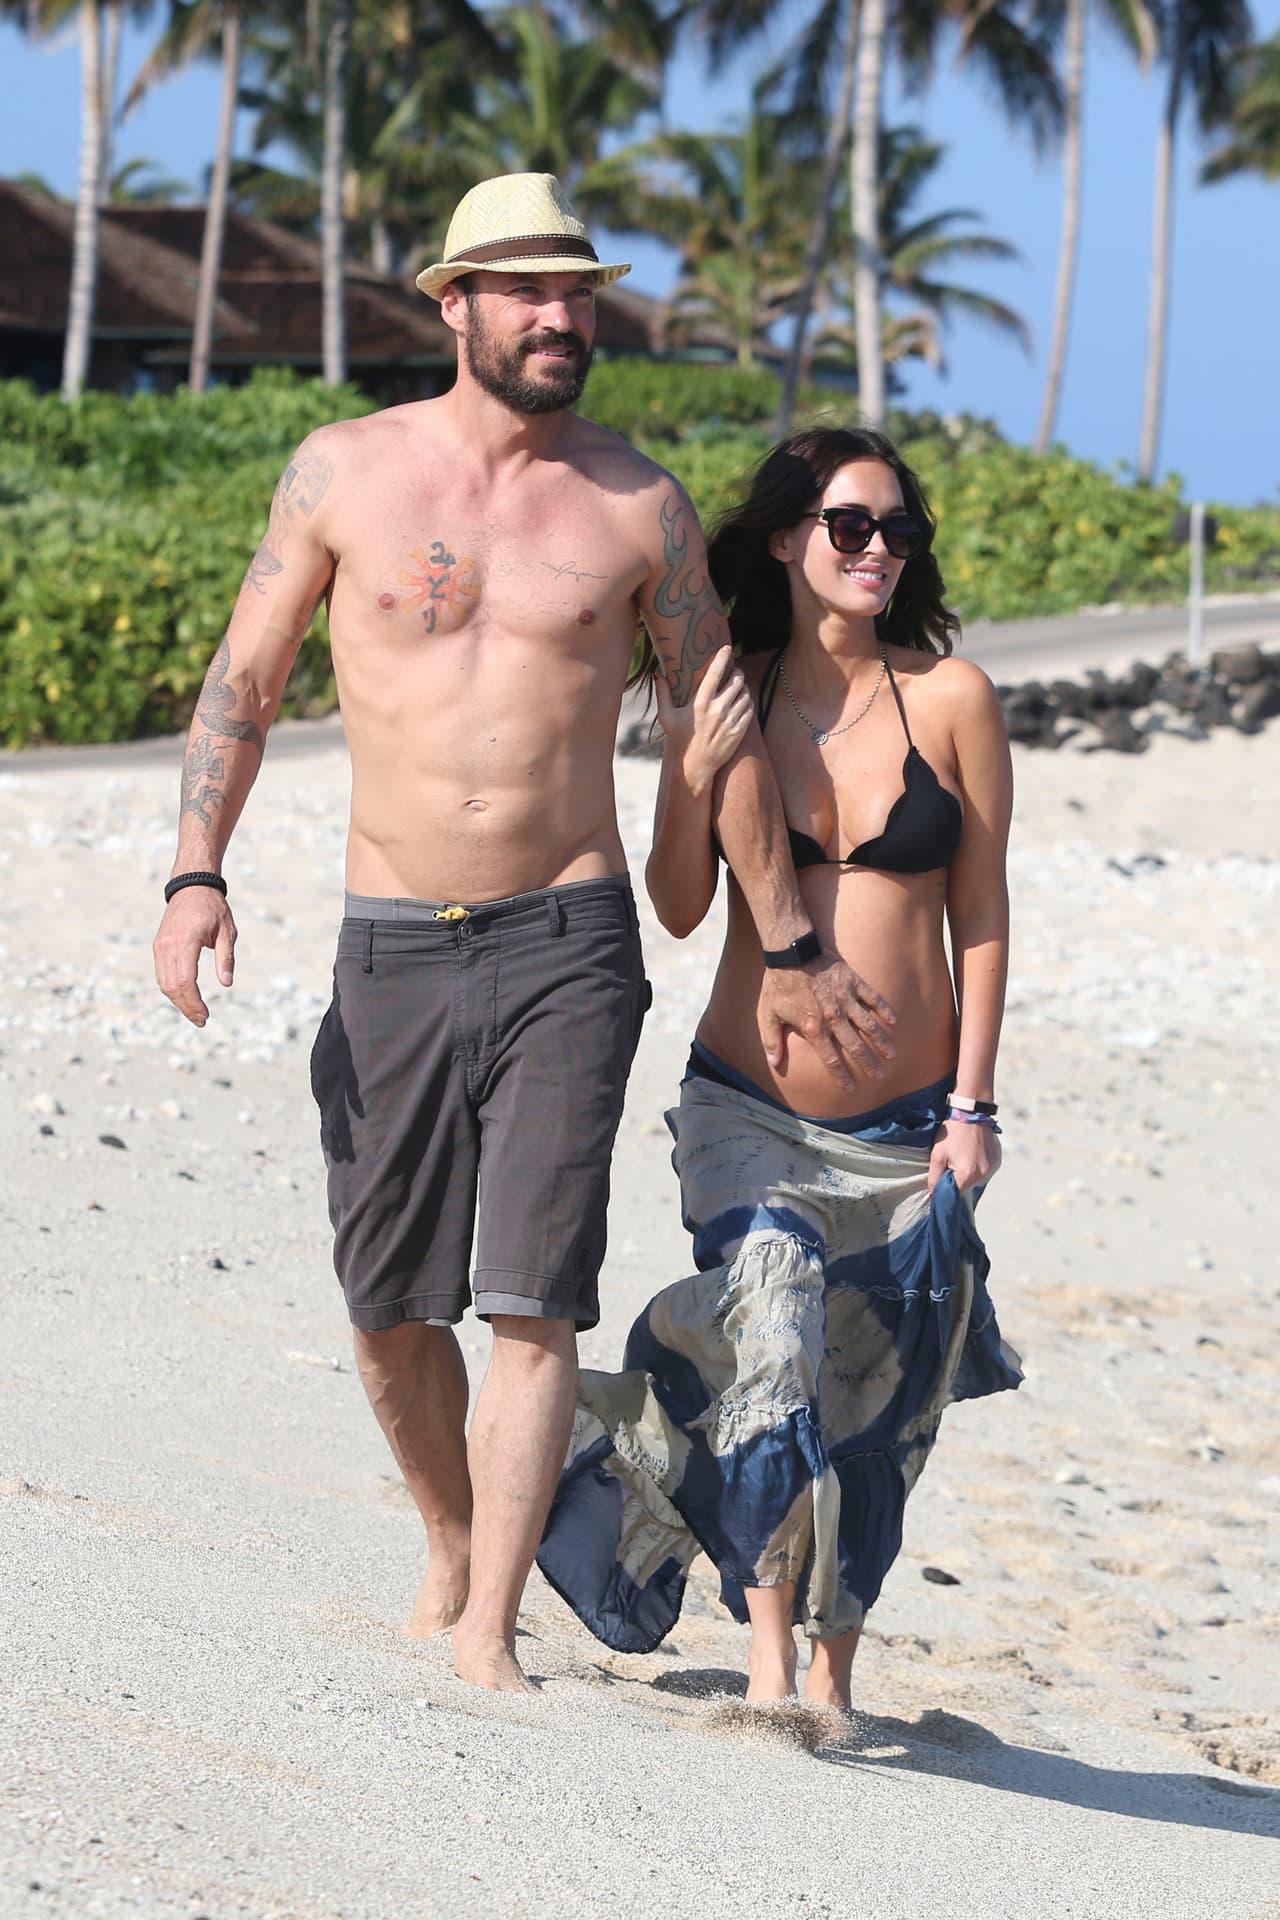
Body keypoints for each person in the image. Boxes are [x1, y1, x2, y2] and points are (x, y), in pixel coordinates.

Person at [151, 176, 899, 1695]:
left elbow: (722, 732)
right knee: (383, 1304)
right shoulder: (341, 475)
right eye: (530, 292)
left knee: (534, 1293)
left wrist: (794, 937)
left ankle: (489, 1630)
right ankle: (449, 1531)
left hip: (569, 930)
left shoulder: (638, 505)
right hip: (390, 940)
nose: (565, 318)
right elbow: (245, 678)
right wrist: (193, 872)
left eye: (580, 292)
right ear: (457, 305)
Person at [538, 425, 1022, 1709]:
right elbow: (682, 903)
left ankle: (831, 1668)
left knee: (869, 1395)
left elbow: (979, 913)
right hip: (746, 1105)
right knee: (773, 1334)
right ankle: (763, 1667)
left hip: (909, 1120)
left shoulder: (952, 698)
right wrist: (696, 772)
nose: (877, 551)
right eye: (850, 526)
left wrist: (972, 1106)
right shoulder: (724, 687)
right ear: (784, 539)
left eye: (896, 531)